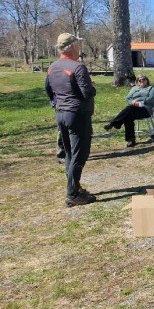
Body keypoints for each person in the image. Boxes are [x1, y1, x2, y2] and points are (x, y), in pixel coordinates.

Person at [46, 33, 97, 207]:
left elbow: (48, 89)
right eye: (78, 45)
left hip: (61, 113)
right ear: (72, 47)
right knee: (79, 154)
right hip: (77, 114)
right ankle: (72, 194)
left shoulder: (53, 67)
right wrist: (92, 86)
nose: (80, 48)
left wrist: (56, 103)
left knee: (69, 152)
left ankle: (75, 186)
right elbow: (87, 93)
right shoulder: (77, 67)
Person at [103, 74, 154, 147]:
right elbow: (128, 98)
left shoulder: (151, 88)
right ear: (137, 82)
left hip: (145, 109)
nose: (141, 81)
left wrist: (138, 101)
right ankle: (131, 139)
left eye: (143, 79)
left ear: (147, 80)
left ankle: (114, 123)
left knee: (129, 110)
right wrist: (132, 102)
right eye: (139, 80)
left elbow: (151, 99)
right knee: (128, 116)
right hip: (134, 108)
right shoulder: (134, 88)